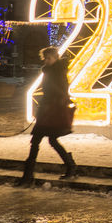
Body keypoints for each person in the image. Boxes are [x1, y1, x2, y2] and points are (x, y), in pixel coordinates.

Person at [16, 47, 77, 186]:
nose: (46, 60)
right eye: (45, 58)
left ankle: (28, 177)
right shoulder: (49, 71)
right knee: (39, 142)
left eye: (48, 58)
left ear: (55, 58)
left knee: (45, 141)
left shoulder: (58, 72)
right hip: (47, 111)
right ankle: (70, 166)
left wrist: (52, 103)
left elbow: (61, 91)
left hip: (53, 112)